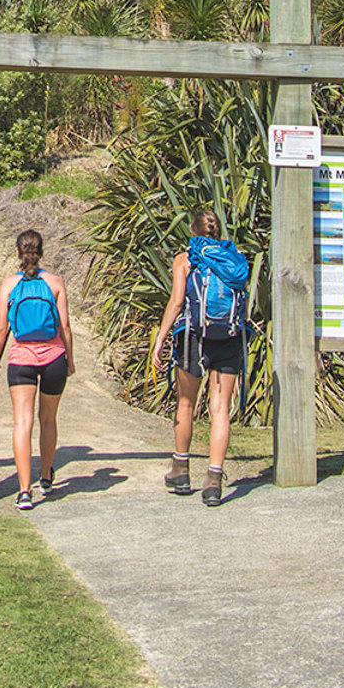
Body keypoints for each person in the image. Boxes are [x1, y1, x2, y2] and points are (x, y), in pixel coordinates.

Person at [149, 208, 246, 508]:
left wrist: (161, 338)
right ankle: (214, 480)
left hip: (193, 337)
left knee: (186, 403)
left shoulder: (186, 259)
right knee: (220, 410)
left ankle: (181, 470)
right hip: (228, 336)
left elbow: (177, 301)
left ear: (192, 231)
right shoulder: (234, 258)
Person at [0, 230, 75, 511]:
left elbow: (2, 327)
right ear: (41, 252)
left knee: (22, 423)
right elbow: (65, 327)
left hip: (21, 358)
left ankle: (24, 491)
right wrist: (70, 360)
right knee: (48, 419)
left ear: (17, 252)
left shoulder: (8, 284)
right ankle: (47, 475)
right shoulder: (55, 282)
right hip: (54, 359)